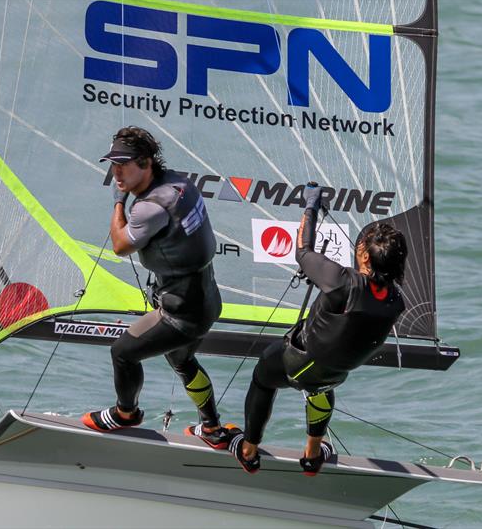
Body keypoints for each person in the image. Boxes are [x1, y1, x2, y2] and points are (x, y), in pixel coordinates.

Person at [227, 182, 407, 474]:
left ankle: (248, 450)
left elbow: (303, 251)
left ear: (364, 257)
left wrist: (311, 205)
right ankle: (312, 455)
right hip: (338, 373)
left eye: (360, 246)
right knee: (322, 388)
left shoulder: (342, 282)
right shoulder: (396, 300)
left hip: (299, 363)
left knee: (263, 375)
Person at [82, 126, 229, 449]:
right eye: (112, 163)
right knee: (182, 359)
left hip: (182, 310)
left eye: (125, 164)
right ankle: (212, 428)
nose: (116, 172)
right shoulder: (180, 182)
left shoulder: (151, 206)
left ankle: (126, 414)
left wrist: (118, 202)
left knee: (122, 353)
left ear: (146, 163)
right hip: (206, 297)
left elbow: (120, 245)